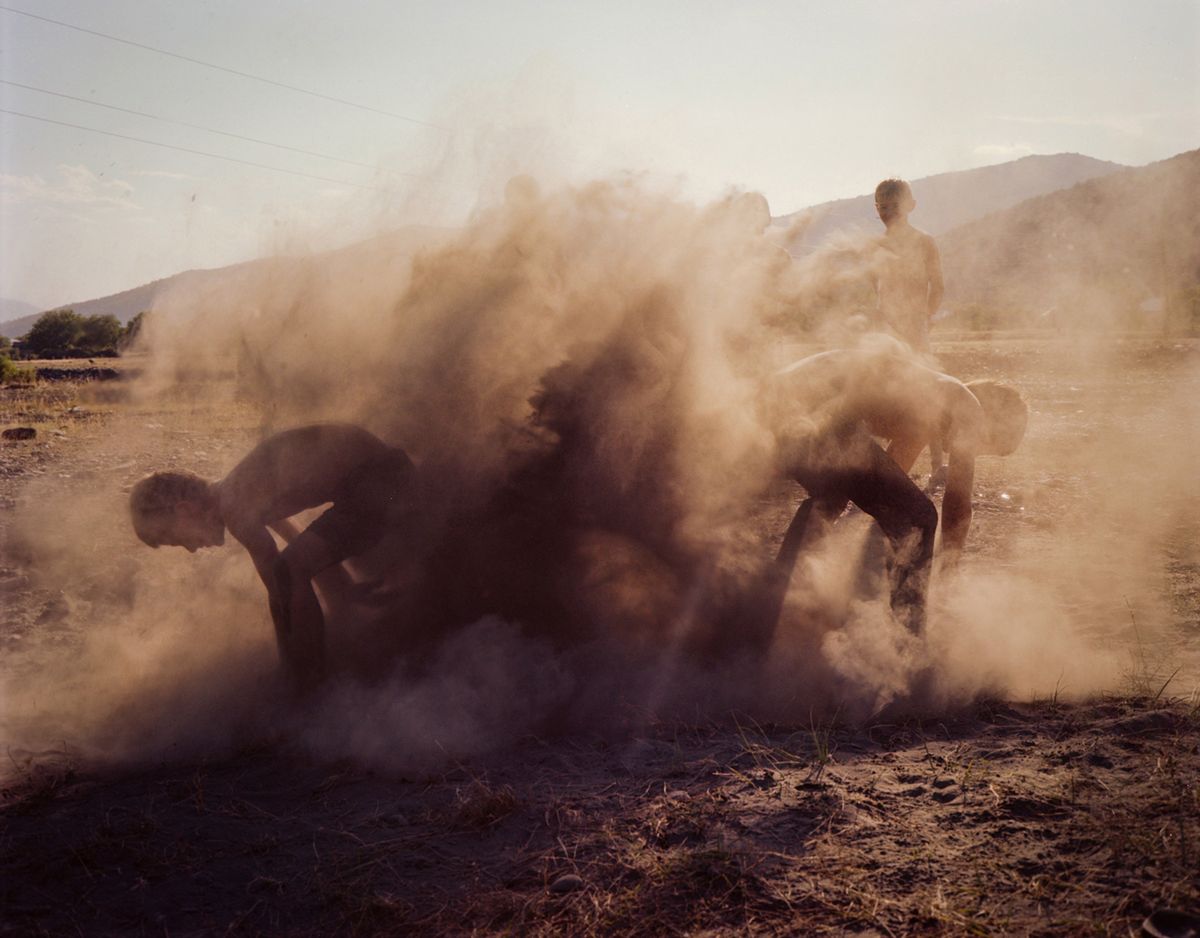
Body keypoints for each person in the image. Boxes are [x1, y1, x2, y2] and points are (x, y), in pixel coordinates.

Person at [764, 344, 1027, 637]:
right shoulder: (967, 405)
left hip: (779, 398)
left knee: (833, 497)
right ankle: (909, 643)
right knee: (921, 518)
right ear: (993, 417)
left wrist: (857, 572)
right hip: (807, 408)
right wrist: (948, 577)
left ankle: (773, 601)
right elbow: (956, 509)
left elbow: (880, 492)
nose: (976, 452)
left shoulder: (928, 405)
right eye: (989, 445)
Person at [129, 424, 417, 692]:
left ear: (184, 510)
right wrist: (341, 592)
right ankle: (318, 666)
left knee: (289, 574)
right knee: (295, 567)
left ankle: (311, 681)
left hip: (383, 481)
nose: (190, 549)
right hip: (381, 477)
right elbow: (301, 549)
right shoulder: (241, 491)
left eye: (176, 540)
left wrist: (287, 672)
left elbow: (280, 587)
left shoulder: (234, 506)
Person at [872, 178, 948, 487]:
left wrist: (925, 318)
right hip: (885, 328)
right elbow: (872, 287)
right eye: (881, 206)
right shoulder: (876, 245)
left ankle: (938, 463)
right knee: (879, 390)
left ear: (911, 206)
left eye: (893, 206)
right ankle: (879, 463)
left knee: (925, 389)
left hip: (915, 325)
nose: (886, 211)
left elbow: (938, 285)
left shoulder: (924, 242)